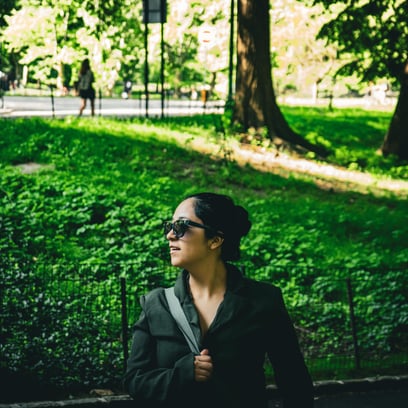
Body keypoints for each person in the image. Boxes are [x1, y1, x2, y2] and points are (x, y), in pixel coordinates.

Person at [123, 192, 314, 408]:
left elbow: (295, 381)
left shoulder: (263, 301)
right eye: (170, 226)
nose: (170, 235)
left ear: (215, 240)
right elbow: (134, 381)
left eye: (181, 226)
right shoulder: (156, 304)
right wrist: (182, 373)